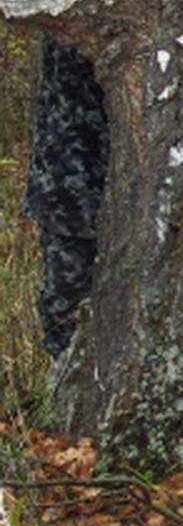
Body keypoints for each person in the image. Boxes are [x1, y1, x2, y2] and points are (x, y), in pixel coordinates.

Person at [21, 36, 108, 358]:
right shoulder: (71, 16)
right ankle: (66, 393)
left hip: (106, 182)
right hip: (68, 188)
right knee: (66, 310)